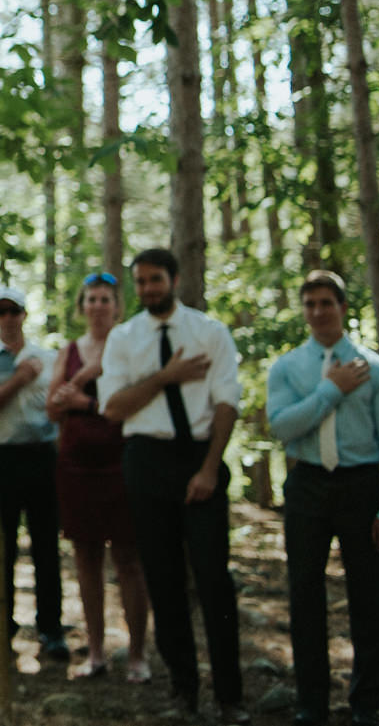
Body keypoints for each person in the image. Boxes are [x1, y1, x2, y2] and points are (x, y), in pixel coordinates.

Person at [98, 247, 247, 722]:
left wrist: (208, 468)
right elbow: (114, 407)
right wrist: (167, 377)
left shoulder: (210, 332)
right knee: (162, 578)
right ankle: (184, 689)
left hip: (200, 456)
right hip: (146, 461)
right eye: (140, 282)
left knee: (213, 581)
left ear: (174, 279)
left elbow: (227, 403)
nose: (147, 290)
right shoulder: (124, 339)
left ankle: (230, 695)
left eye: (155, 280)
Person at [265, 270, 379, 726]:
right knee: (304, 593)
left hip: (362, 486)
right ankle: (312, 702)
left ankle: (366, 702)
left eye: (326, 303)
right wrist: (331, 389)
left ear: (343, 308)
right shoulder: (287, 367)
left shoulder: (378, 370)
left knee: (368, 595)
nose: (318, 312)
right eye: (309, 304)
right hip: (307, 484)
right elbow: (283, 426)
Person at [45, 271, 149, 682]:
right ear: (82, 307)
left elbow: (129, 406)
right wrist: (77, 382)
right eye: (91, 299)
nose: (98, 306)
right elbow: (53, 408)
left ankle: (138, 654)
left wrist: (84, 397)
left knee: (128, 557)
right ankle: (96, 652)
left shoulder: (130, 347)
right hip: (75, 465)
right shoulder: (69, 350)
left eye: (106, 299)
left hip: (120, 462)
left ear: (117, 307)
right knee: (86, 557)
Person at [0, 283, 66, 659]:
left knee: (46, 546)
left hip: (43, 456)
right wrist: (20, 379)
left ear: (24, 314)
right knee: (1, 546)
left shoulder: (48, 357)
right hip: (0, 459)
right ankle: (2, 631)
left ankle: (51, 630)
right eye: (1, 311)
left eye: (14, 310)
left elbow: (58, 405)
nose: (8, 318)